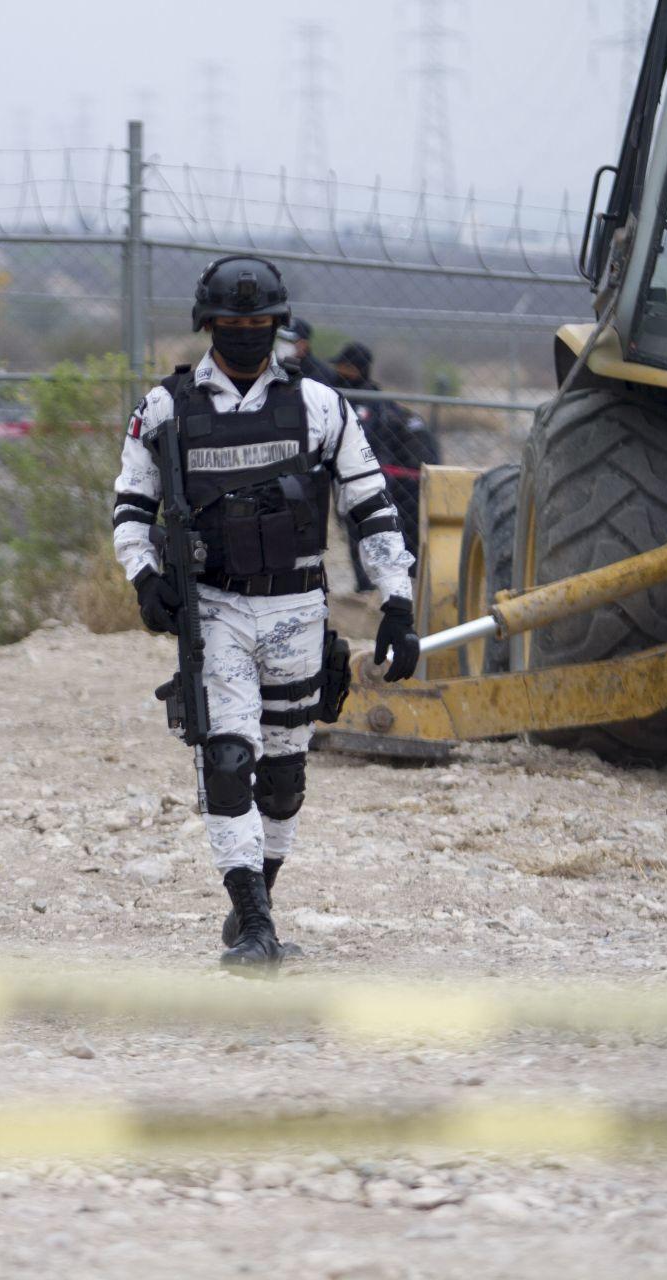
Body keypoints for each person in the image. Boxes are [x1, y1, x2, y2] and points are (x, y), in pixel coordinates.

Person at [111, 255, 419, 970]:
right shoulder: (166, 408)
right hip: (215, 608)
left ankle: (258, 903)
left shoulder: (320, 406)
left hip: (297, 611)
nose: (246, 335)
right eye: (231, 324)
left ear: (277, 326)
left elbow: (371, 508)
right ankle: (254, 924)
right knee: (226, 756)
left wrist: (396, 603)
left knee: (282, 779)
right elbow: (131, 503)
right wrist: (144, 576)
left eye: (258, 324)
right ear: (207, 325)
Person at [331, 341, 440, 589]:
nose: (337, 371)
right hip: (385, 481)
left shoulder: (367, 404)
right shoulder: (361, 398)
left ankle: (373, 586)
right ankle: (374, 585)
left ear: (355, 368)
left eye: (342, 366)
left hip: (380, 482)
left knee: (371, 532)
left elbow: (371, 444)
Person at [275, 317, 339, 387]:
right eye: (282, 338)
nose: (283, 343)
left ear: (304, 344)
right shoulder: (272, 364)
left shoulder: (321, 373)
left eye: (290, 340)